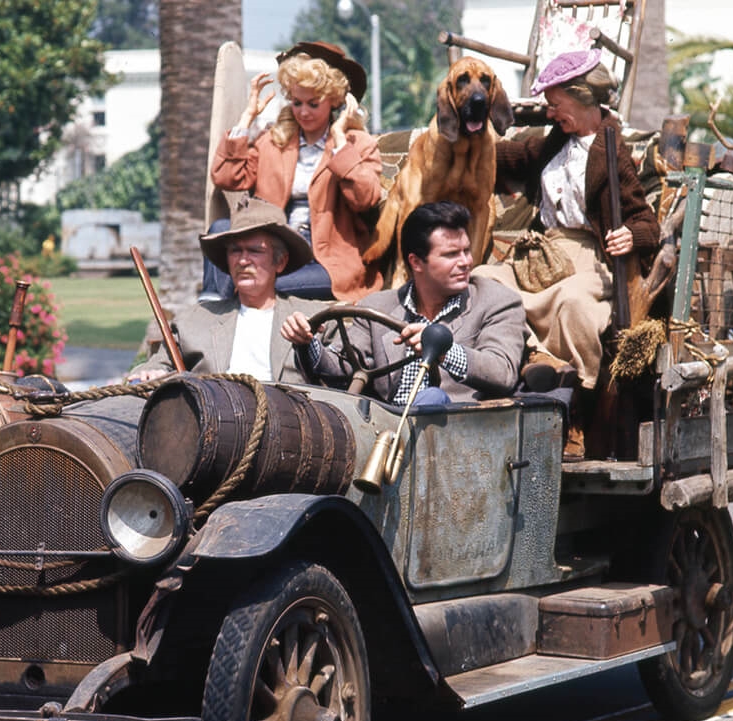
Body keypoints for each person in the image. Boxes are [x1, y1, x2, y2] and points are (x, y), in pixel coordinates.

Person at [477, 49, 658, 457]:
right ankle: (529, 364)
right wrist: (474, 140)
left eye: (556, 105)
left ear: (583, 99)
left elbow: (647, 222)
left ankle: (572, 408)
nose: (551, 112)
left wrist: (630, 236)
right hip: (544, 252)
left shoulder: (612, 151)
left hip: (590, 257)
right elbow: (516, 156)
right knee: (485, 281)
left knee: (575, 304)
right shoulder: (556, 140)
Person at [282, 200, 528, 405]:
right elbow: (343, 368)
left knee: (431, 398)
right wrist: (307, 341)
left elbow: (502, 371)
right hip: (384, 431)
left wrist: (444, 351)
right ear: (416, 262)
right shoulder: (377, 307)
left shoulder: (497, 302)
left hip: (456, 430)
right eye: (451, 254)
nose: (465, 262)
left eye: (466, 251)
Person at [206, 41, 384, 303]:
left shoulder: (357, 144)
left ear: (335, 100)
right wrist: (247, 117)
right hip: (275, 248)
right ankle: (213, 307)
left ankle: (216, 311)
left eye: (313, 104)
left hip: (327, 262)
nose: (303, 112)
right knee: (221, 228)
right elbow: (226, 176)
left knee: (254, 286)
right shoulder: (273, 141)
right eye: (297, 102)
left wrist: (339, 143)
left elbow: (365, 198)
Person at [127, 197, 327, 384]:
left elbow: (340, 374)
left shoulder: (313, 319)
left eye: (255, 251)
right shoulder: (194, 320)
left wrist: (309, 345)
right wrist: (149, 372)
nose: (242, 260)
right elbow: (158, 365)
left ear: (280, 261)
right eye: (235, 250)